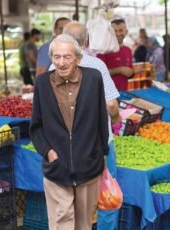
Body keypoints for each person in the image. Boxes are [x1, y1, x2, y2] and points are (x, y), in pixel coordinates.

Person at [30, 34, 109, 230]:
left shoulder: (93, 78)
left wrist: (100, 153)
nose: (61, 62)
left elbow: (101, 118)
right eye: (57, 57)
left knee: (84, 223)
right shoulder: (41, 83)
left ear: (78, 58)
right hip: (57, 168)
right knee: (61, 220)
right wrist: (48, 152)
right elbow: (36, 125)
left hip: (88, 167)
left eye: (67, 57)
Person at [48, 21, 121, 229]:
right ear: (87, 40)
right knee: (106, 194)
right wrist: (116, 120)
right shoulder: (97, 65)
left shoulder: (55, 67)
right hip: (97, 144)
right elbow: (111, 105)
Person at [97, 18, 133, 91]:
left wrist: (132, 72)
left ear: (126, 31)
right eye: (115, 31)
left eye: (120, 30)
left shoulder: (128, 50)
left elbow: (130, 72)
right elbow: (98, 73)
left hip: (124, 93)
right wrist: (119, 70)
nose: (118, 34)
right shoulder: (103, 50)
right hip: (107, 95)